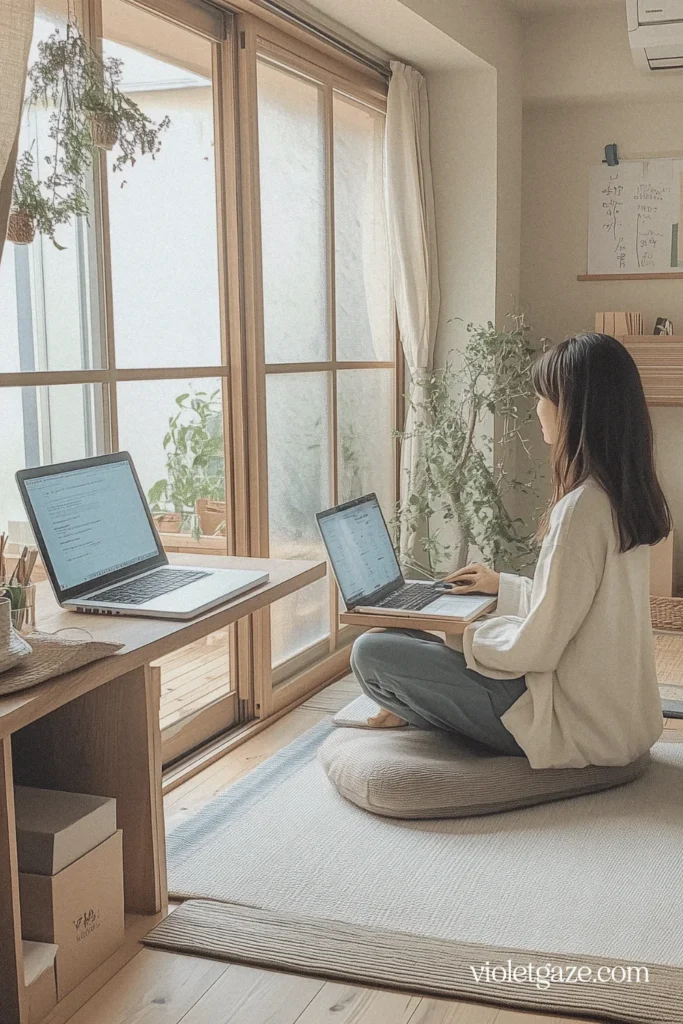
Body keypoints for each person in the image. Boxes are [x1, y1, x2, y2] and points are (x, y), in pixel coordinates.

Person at [351, 333, 671, 769]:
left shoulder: (581, 509)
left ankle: (426, 715)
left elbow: (537, 649)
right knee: (409, 637)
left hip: (576, 724)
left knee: (371, 652)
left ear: (574, 409)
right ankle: (426, 707)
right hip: (619, 718)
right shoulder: (622, 493)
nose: (536, 407)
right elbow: (580, 609)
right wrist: (503, 588)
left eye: (543, 396)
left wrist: (463, 635)